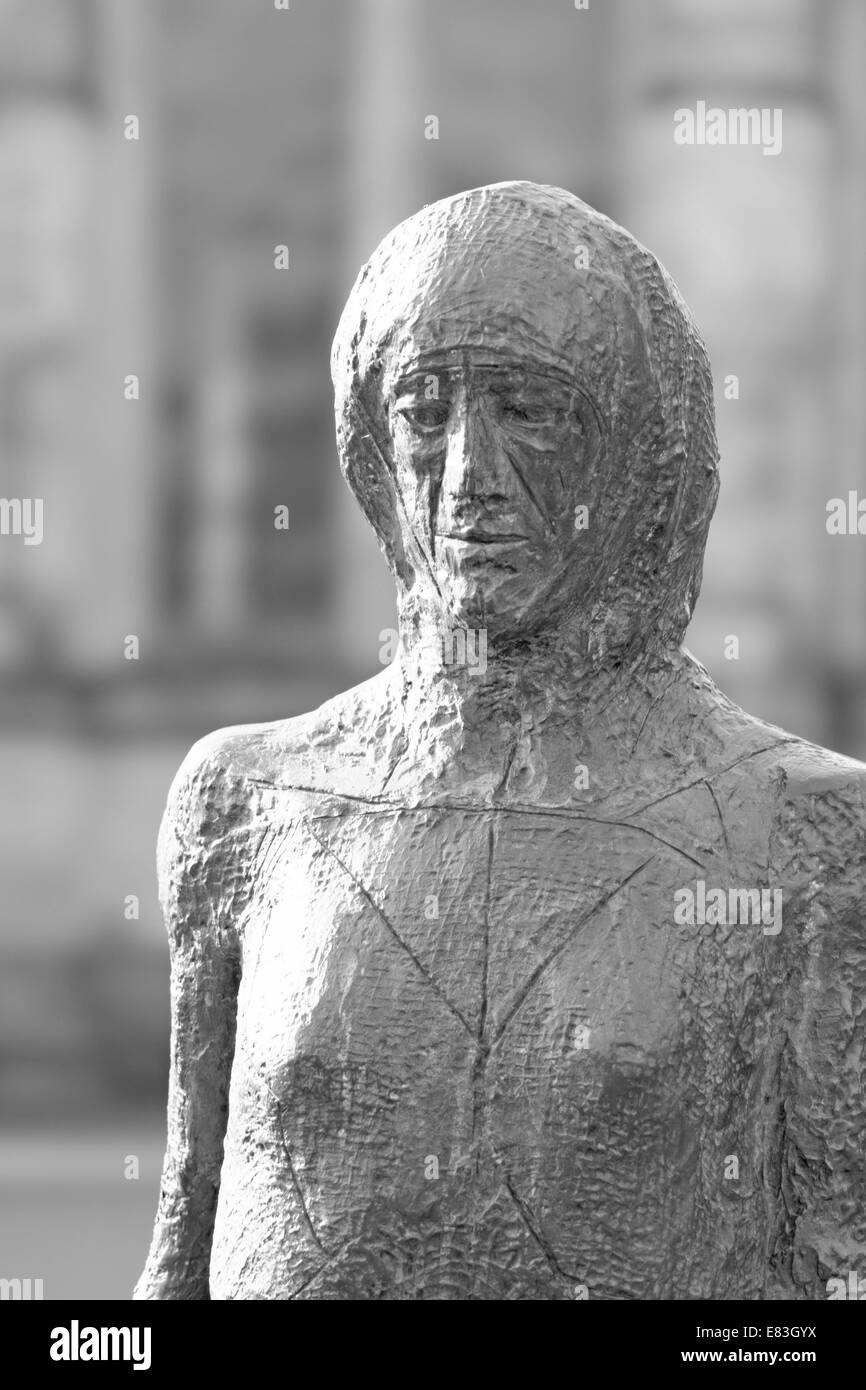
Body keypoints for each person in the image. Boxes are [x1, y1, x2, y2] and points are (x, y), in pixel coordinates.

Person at [136, 182, 865, 1301]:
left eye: (529, 408)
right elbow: (179, 1259)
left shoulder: (805, 833)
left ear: (634, 450)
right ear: (369, 442)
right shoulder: (243, 802)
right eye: (424, 410)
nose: (469, 479)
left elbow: (832, 1277)